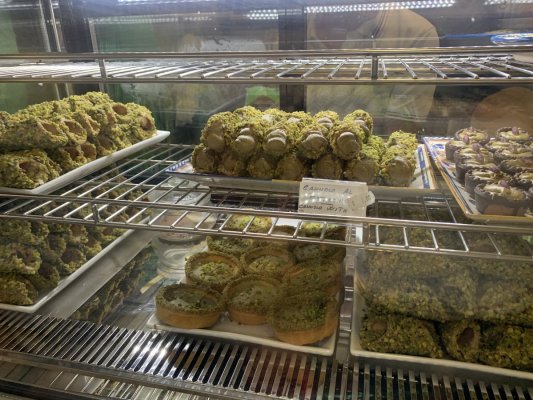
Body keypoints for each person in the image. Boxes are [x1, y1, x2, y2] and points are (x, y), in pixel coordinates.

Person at [306, 9, 440, 133]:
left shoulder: (416, 31)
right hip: (307, 143)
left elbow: (401, 127)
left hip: (376, 145)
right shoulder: (303, 17)